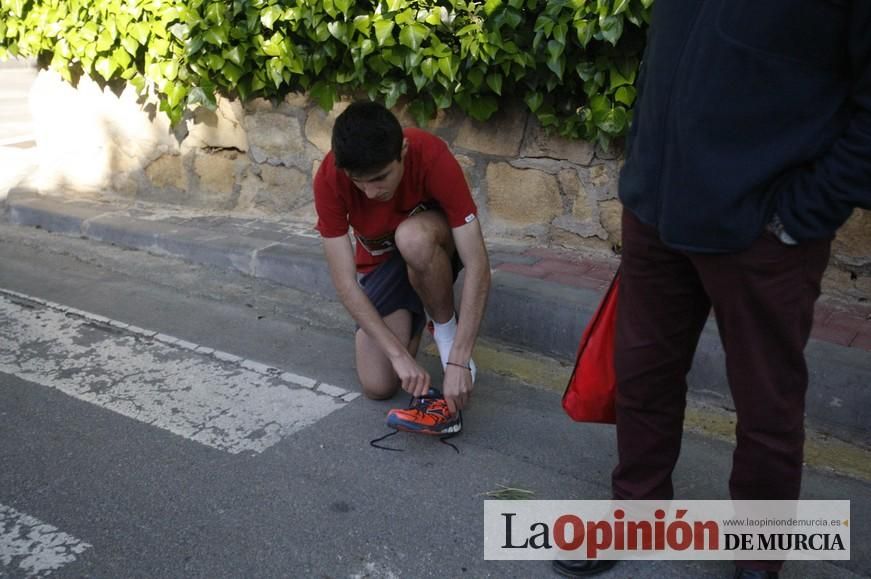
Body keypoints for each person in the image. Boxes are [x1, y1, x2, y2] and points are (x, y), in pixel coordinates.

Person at [553, 1, 870, 577]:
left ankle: (760, 556)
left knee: (766, 402)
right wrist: (643, 170)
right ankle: (637, 513)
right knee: (643, 374)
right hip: (656, 210)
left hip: (764, 230)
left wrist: (802, 215)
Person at [313, 100, 491, 433]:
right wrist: (397, 355)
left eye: (380, 178)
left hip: (433, 246)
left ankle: (444, 333)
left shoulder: (430, 153)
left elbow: (478, 263)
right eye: (358, 181)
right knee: (378, 385)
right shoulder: (329, 177)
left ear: (403, 152)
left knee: (411, 238)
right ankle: (414, 318)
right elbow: (345, 283)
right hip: (384, 265)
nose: (369, 192)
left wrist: (459, 357)